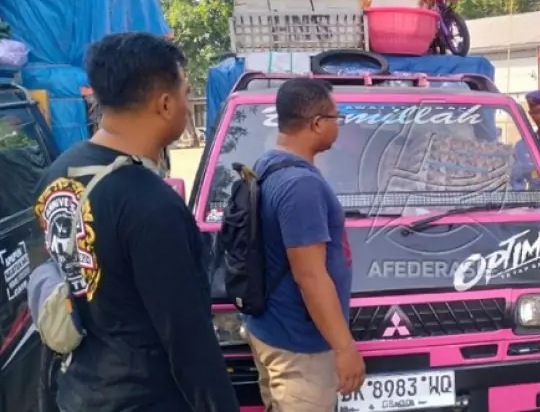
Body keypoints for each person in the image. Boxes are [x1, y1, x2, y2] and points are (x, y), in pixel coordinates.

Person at [32, 32, 239, 411]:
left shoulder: (56, 175)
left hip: (79, 390)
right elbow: (188, 341)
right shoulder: (151, 205)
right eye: (184, 91)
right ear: (164, 103)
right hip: (144, 397)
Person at [244, 78, 365, 411]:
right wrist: (344, 348)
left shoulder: (268, 164)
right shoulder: (300, 186)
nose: (338, 124)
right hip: (300, 348)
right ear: (316, 123)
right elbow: (310, 277)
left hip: (272, 330)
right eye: (336, 116)